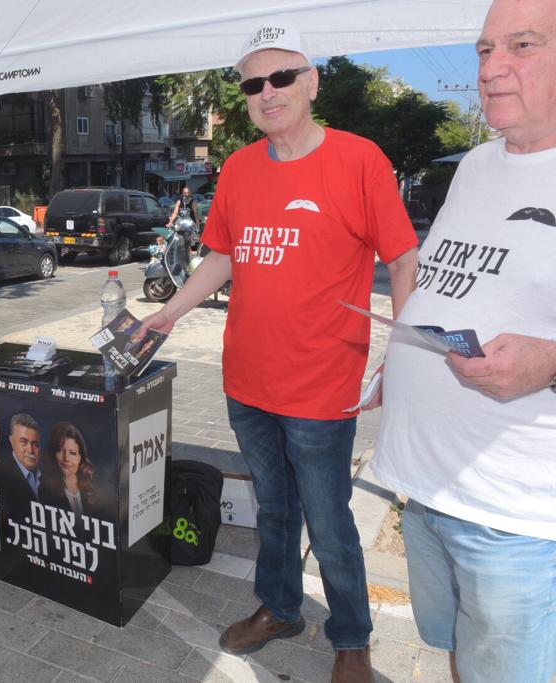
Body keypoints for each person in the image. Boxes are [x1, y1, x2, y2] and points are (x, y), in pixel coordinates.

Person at [138, 24, 418, 682]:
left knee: (328, 518)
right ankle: (281, 607)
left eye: (282, 77)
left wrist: (403, 354)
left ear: (311, 82)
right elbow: (223, 256)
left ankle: (352, 637)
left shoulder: (360, 160)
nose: (267, 92)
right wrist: (170, 312)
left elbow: (404, 259)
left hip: (322, 386)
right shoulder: (239, 167)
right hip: (247, 379)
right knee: (273, 507)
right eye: (253, 84)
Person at [370, 2, 556, 681]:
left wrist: (550, 363)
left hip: (514, 516)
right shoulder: (477, 163)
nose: (491, 68)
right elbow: (453, 283)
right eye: (484, 50)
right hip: (425, 490)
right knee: (455, 652)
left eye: (522, 46)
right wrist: (400, 363)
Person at [0, 413, 44, 520]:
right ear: (11, 441)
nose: (30, 450)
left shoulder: (48, 474)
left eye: (35, 444)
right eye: (24, 442)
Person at [40, 422, 96, 517]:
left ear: (80, 457)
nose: (66, 459)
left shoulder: (89, 490)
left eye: (72, 453)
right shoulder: (44, 490)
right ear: (53, 454)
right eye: (60, 450)